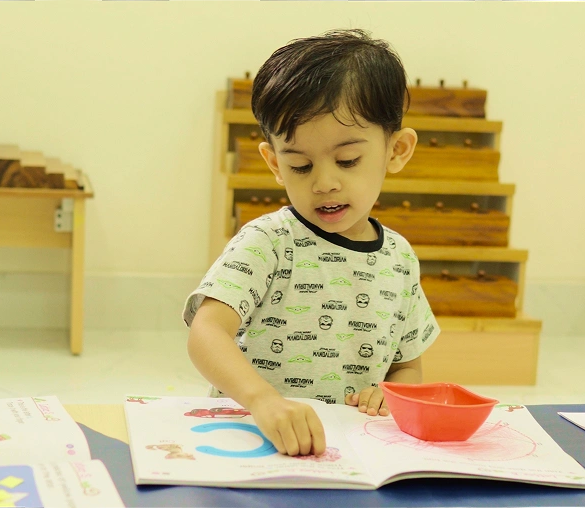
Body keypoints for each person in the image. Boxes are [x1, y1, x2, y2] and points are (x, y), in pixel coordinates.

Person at [183, 28, 439, 457]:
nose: (324, 182)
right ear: (274, 163)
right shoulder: (268, 242)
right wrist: (263, 400)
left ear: (396, 151)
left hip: (346, 452)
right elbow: (206, 331)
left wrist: (390, 394)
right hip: (254, 443)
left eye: (347, 160)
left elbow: (407, 365)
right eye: (300, 165)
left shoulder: (399, 258)